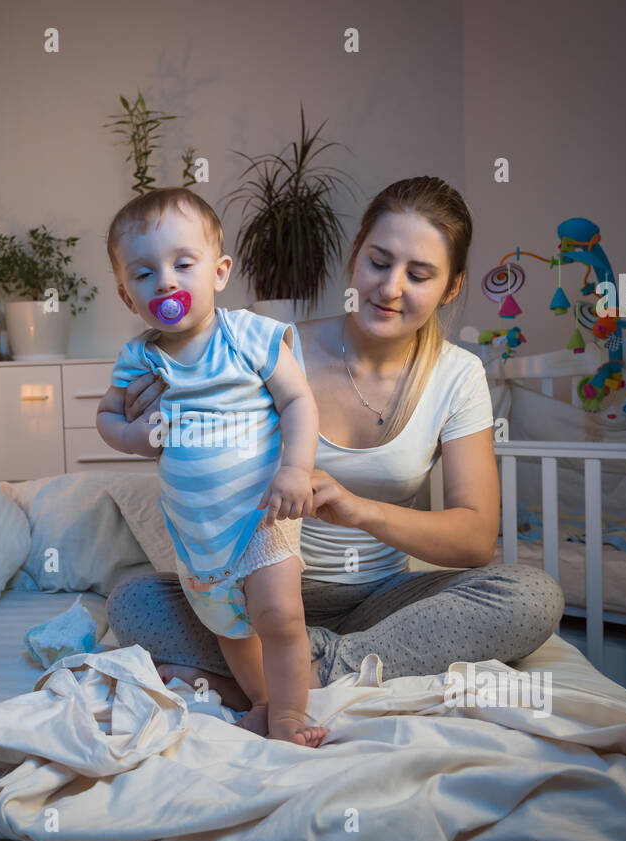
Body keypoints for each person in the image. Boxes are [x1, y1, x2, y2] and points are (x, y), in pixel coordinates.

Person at [107, 176, 566, 737]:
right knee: (132, 598)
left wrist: (357, 509)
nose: (391, 288)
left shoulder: (458, 374)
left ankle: (297, 674)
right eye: (378, 262)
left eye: (419, 275)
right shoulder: (271, 344)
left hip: (380, 600)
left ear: (451, 287)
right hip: (257, 583)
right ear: (355, 258)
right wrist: (147, 425)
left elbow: (473, 540)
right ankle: (305, 673)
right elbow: (201, 463)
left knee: (531, 597)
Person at [96, 187, 327, 747]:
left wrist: (296, 470)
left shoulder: (248, 334)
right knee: (227, 627)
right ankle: (263, 702)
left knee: (277, 615)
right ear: (129, 297)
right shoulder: (140, 359)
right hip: (196, 530)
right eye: (145, 273)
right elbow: (105, 417)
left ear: (219, 272)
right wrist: (133, 435)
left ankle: (291, 718)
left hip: (261, 515)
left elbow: (299, 401)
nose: (167, 282)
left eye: (182, 263)